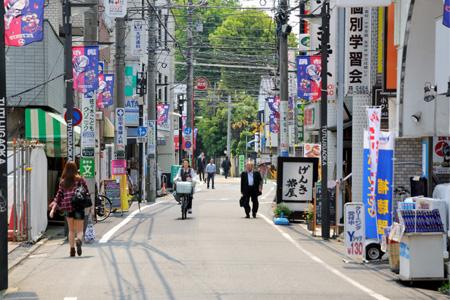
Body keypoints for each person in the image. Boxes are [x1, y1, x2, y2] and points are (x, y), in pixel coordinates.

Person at [49, 161, 90, 257]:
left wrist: (53, 208)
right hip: (79, 206)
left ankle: (72, 250)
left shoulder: (63, 182)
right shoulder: (80, 180)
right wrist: (89, 205)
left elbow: (59, 196)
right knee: (80, 230)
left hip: (67, 207)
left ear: (66, 169)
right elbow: (86, 192)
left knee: (71, 230)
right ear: (76, 169)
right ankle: (79, 240)